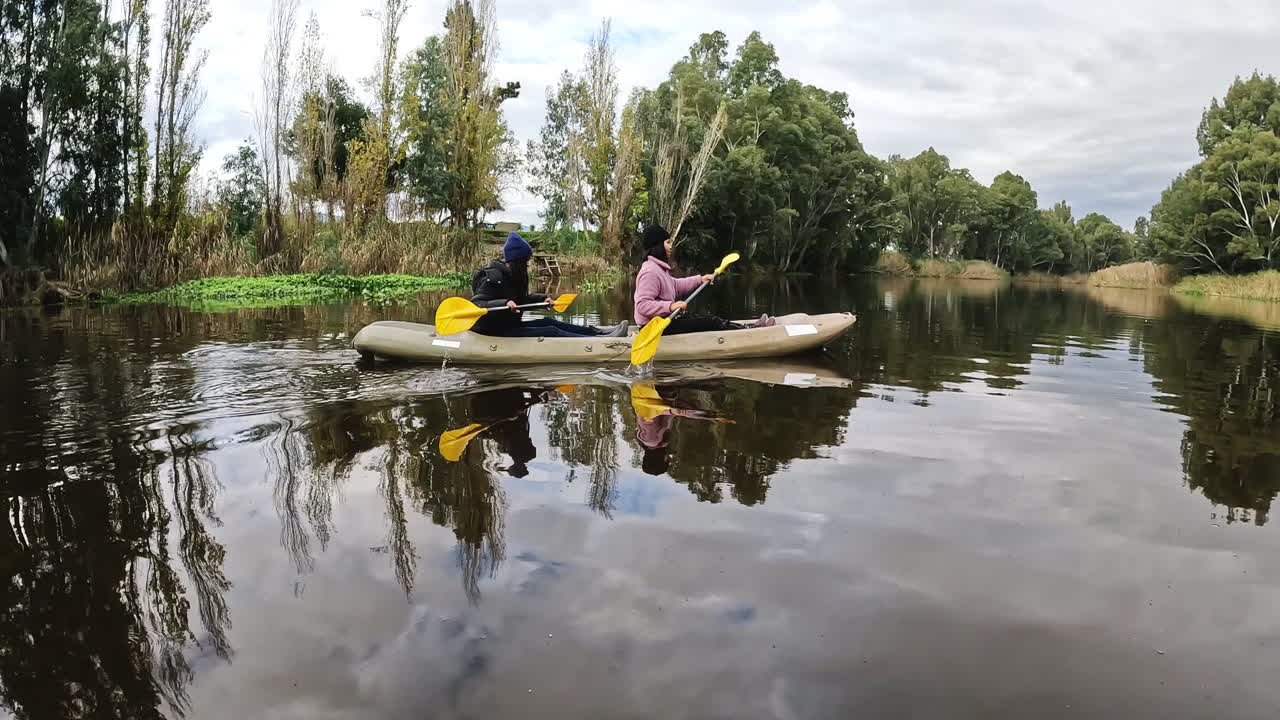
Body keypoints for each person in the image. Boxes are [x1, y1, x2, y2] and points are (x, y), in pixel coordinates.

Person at [472, 232, 627, 338]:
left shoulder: (515, 276)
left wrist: (543, 299)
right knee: (551, 330)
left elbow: (522, 300)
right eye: (525, 262)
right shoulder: (493, 277)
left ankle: (599, 333)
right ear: (515, 262)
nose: (527, 265)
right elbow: (477, 304)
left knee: (549, 321)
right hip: (495, 331)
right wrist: (504, 303)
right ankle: (599, 342)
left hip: (510, 326)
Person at [633, 225, 773, 335]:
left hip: (663, 322)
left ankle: (747, 328)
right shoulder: (650, 271)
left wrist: (700, 279)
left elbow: (675, 285)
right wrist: (670, 306)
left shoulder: (659, 269)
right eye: (668, 242)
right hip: (653, 328)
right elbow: (642, 306)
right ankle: (749, 331)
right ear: (657, 245)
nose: (671, 247)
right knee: (710, 322)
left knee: (707, 319)